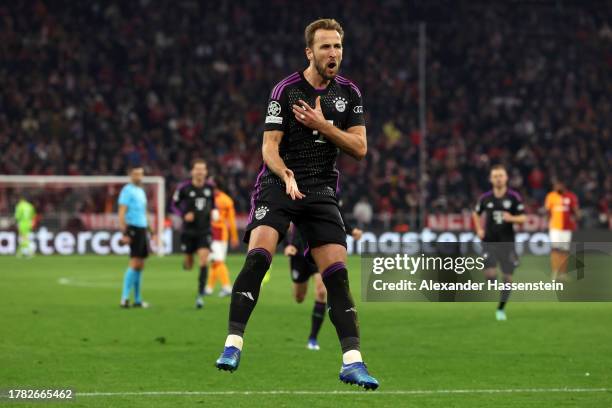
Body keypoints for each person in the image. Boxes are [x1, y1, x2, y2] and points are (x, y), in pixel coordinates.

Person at [214, 18, 378, 389]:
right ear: (310, 52)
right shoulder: (285, 91)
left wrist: (323, 125)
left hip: (321, 189)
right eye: (325, 47)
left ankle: (352, 362)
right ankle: (233, 343)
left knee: (337, 275)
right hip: (279, 181)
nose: (333, 53)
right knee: (259, 255)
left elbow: (360, 148)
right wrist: (285, 173)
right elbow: (269, 146)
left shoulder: (350, 93)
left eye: (337, 46)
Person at [284, 212, 363, 351]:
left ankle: (313, 338)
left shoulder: (323, 192)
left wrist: (351, 231)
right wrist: (286, 244)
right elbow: (282, 217)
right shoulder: (293, 193)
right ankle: (312, 338)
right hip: (297, 253)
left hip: (317, 249)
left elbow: (336, 213)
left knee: (321, 292)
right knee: (299, 297)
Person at [472, 165, 526, 321]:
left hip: (507, 243)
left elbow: (523, 218)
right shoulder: (485, 198)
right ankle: (494, 283)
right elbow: (475, 214)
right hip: (489, 241)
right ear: (491, 179)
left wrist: (512, 218)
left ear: (506, 178)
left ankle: (501, 309)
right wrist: (479, 229)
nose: (498, 178)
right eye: (495, 176)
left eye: (501, 175)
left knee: (508, 278)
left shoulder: (514, 197)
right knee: (490, 275)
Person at [171, 159, 216, 309]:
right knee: (189, 264)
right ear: (192, 172)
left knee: (204, 260)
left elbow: (213, 204)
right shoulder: (184, 187)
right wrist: (184, 214)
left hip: (204, 230)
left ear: (206, 172)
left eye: (202, 169)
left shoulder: (210, 188)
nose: (200, 172)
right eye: (197, 169)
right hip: (188, 231)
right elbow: (174, 205)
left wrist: (214, 212)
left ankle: (200, 294)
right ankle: (187, 260)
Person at [118, 165, 155, 308]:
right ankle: (124, 298)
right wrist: (125, 232)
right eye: (135, 174)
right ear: (130, 175)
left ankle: (138, 299)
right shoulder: (127, 190)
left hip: (142, 228)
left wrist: (150, 228)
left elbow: (144, 211)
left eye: (140, 174)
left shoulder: (140, 190)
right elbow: (121, 212)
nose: (139, 177)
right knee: (134, 262)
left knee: (140, 264)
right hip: (133, 228)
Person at [206, 176, 239, 297]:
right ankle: (209, 288)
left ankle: (226, 287)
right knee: (216, 261)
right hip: (212, 233)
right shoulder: (210, 198)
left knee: (217, 261)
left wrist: (234, 237)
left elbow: (231, 220)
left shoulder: (225, 200)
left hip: (219, 233)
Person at [544, 180, 579, 280]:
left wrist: (576, 218)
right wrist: (547, 221)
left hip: (566, 228)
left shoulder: (571, 196)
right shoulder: (551, 196)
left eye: (558, 185)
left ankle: (563, 273)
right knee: (555, 250)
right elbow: (547, 211)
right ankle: (555, 272)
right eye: (555, 185)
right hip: (554, 227)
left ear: (563, 185)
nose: (556, 187)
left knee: (564, 251)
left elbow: (576, 211)